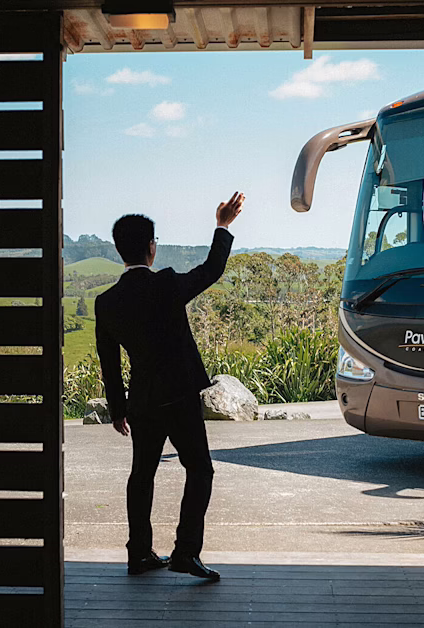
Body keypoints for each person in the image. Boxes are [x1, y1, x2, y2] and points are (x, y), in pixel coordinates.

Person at [95, 191, 245, 581]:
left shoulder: (106, 302)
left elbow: (109, 363)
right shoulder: (166, 285)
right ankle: (185, 552)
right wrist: (222, 226)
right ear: (151, 247)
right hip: (179, 396)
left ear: (119, 250)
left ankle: (139, 554)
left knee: (141, 475)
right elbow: (211, 270)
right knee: (200, 470)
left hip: (142, 401)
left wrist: (118, 409)